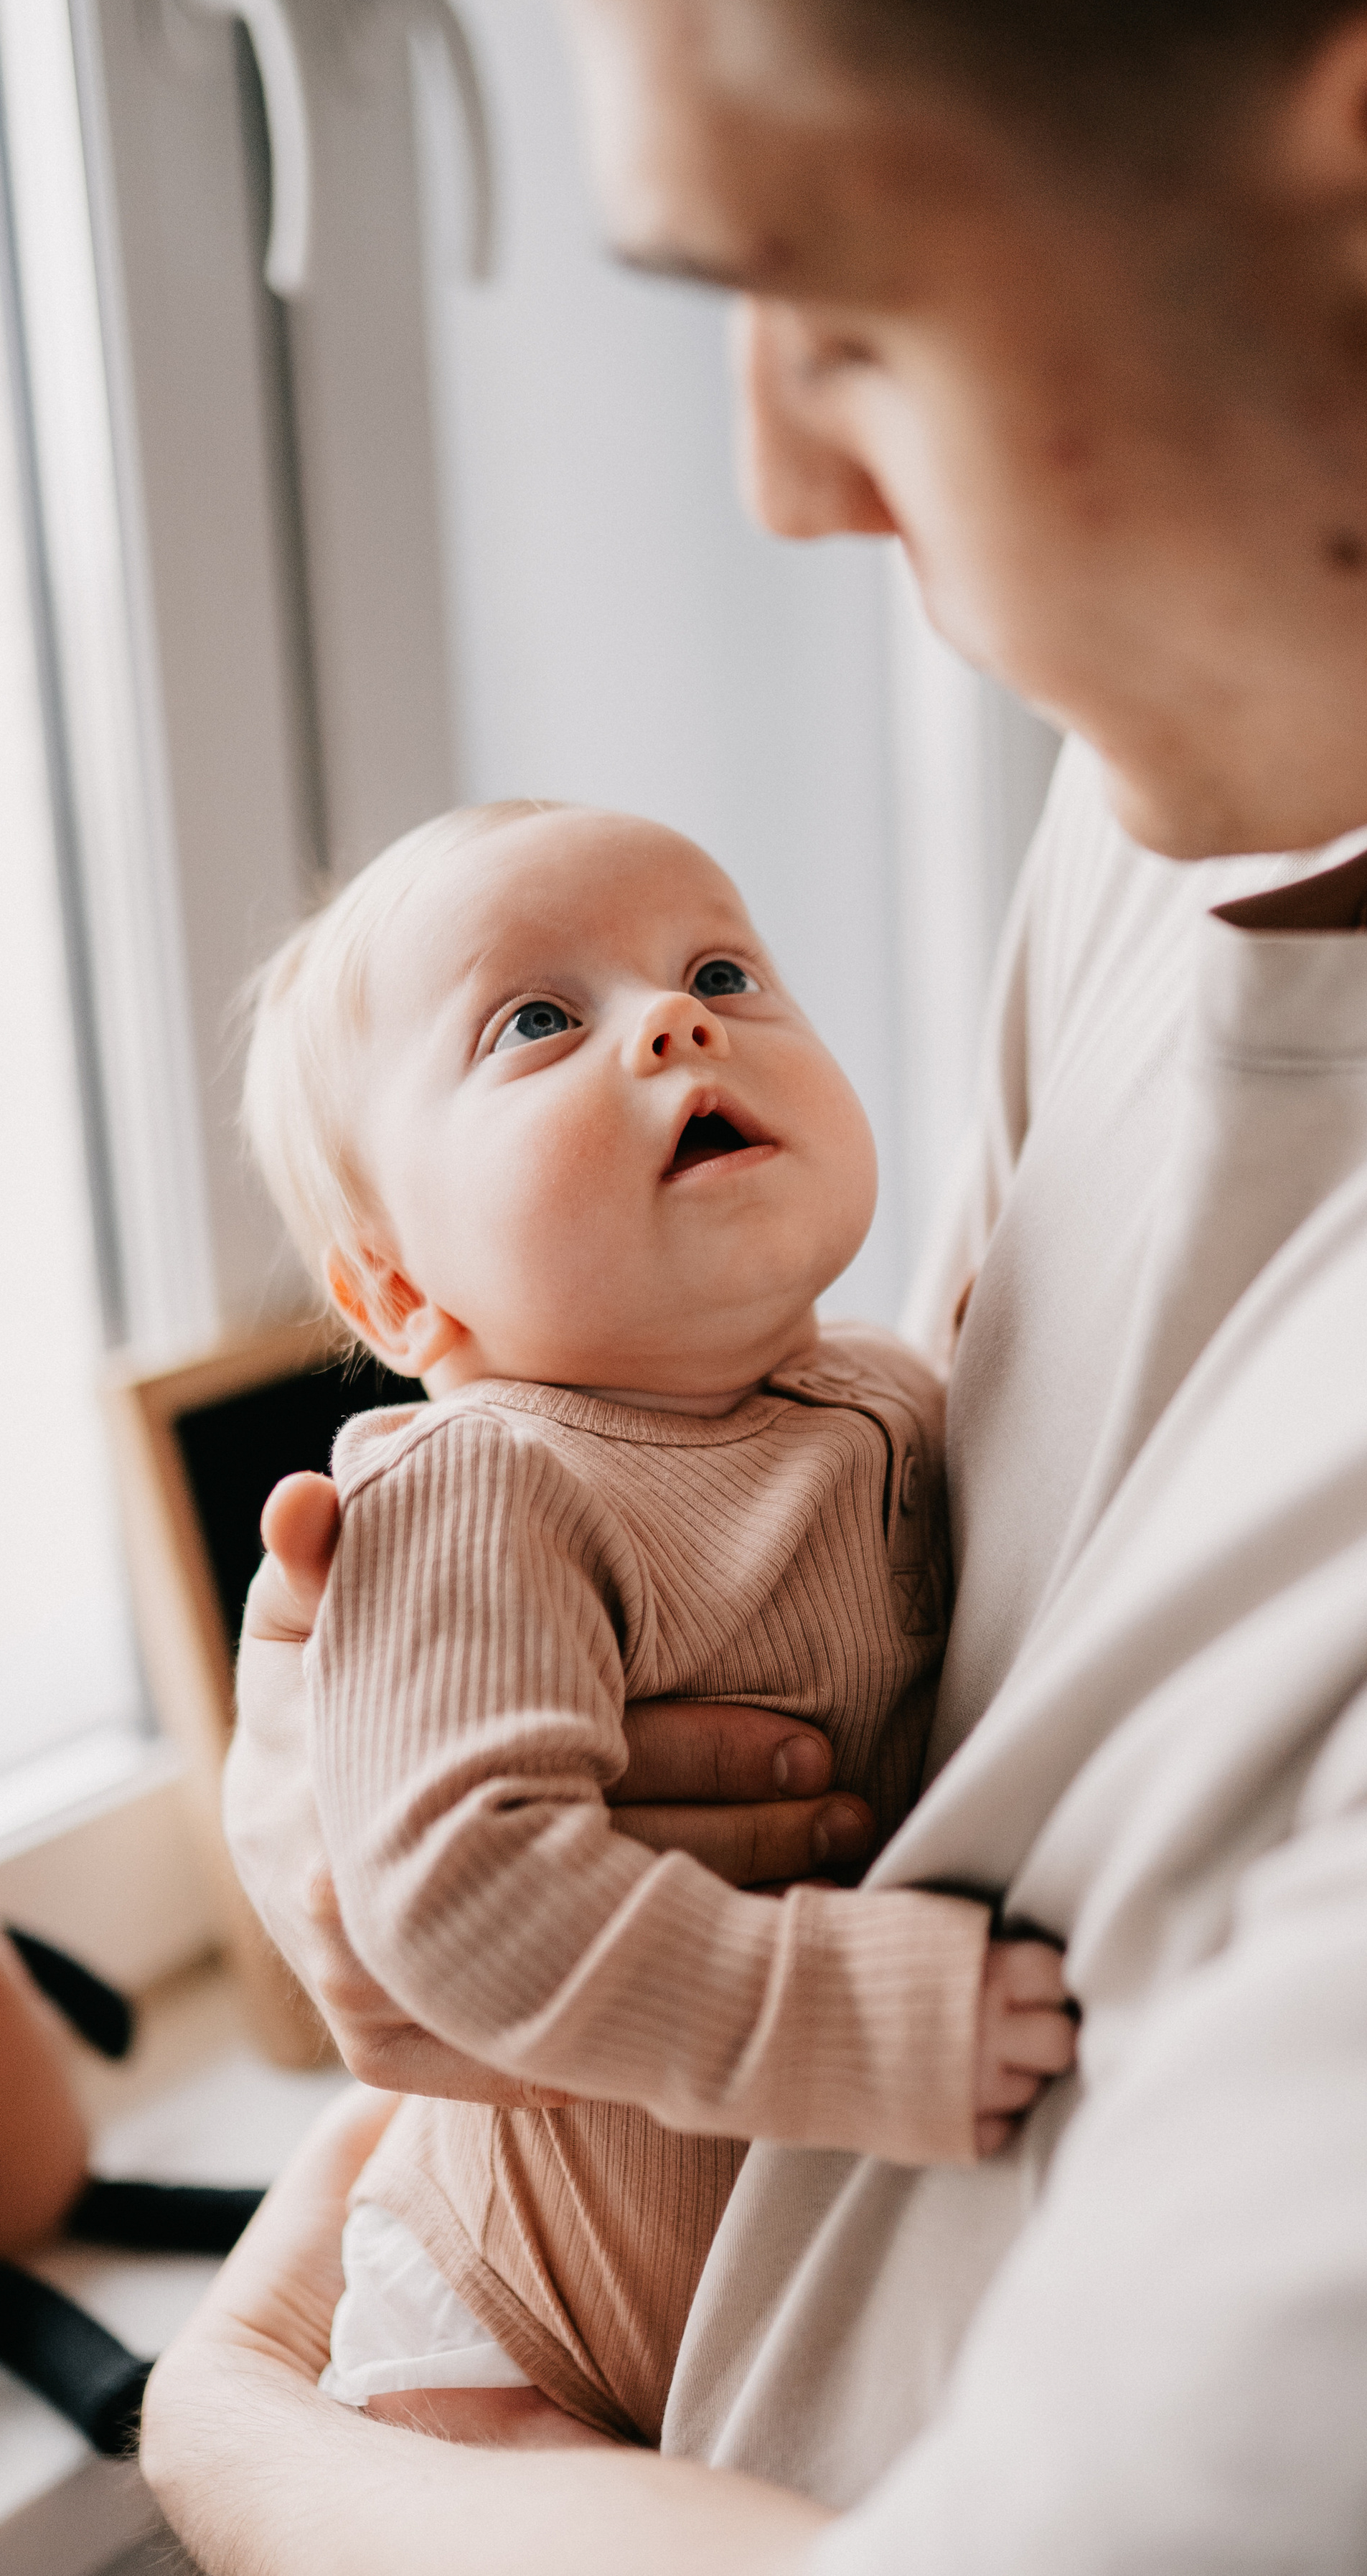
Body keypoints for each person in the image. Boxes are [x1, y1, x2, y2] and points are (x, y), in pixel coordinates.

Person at [142, 0, 1367, 2570]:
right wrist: (397, 1841)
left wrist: (245, 2432)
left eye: (842, 309)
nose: (778, 480)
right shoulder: (1206, 808)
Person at [234, 798, 1073, 2446]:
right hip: (513, 2335)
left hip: (797, 2306)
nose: (678, 1023)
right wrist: (852, 2017)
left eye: (721, 971)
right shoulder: (481, 1487)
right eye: (534, 1021)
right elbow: (460, 1893)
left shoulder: (896, 1392)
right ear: (396, 1289)